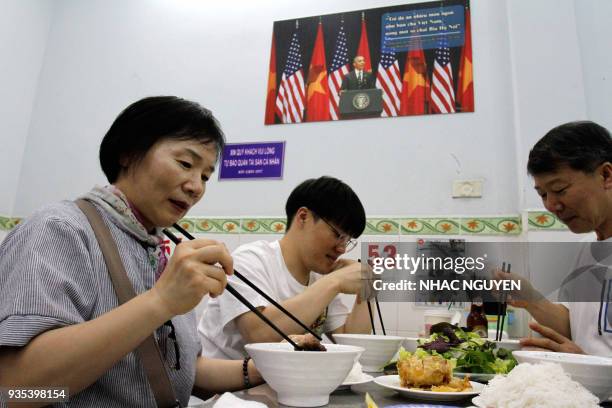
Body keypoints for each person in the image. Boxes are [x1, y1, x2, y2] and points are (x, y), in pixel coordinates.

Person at [0, 96, 262, 407]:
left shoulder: (158, 247)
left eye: (205, 176)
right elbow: (16, 388)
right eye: (185, 164)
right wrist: (161, 301)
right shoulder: (60, 228)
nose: (196, 187)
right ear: (128, 153)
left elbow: (179, 370)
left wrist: (265, 367)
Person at [198, 176, 373, 359]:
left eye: (348, 240)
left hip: (281, 384)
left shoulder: (321, 278)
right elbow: (260, 335)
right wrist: (335, 282)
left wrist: (368, 285)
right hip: (225, 386)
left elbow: (353, 345)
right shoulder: (250, 260)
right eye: (338, 234)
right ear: (303, 217)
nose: (342, 248)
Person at [512, 120, 612, 356]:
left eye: (559, 190)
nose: (551, 205)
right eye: (543, 194)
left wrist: (588, 365)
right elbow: (578, 328)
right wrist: (529, 298)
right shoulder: (585, 249)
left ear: (606, 175)